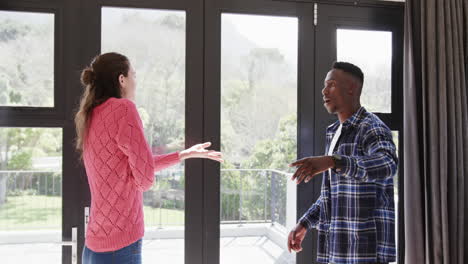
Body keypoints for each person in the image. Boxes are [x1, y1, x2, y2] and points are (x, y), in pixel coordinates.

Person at [74, 52, 223, 264]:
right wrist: (137, 174)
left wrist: (184, 154)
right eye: (133, 74)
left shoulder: (90, 115)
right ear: (122, 79)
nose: (136, 81)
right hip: (120, 246)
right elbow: (144, 179)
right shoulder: (124, 109)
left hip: (92, 248)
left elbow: (128, 167)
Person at [287, 62, 397, 264]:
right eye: (324, 85)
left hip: (366, 253)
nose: (324, 91)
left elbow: (387, 164)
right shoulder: (334, 132)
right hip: (337, 250)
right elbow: (331, 196)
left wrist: (333, 161)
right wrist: (304, 223)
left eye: (331, 85)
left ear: (351, 88)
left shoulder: (372, 128)